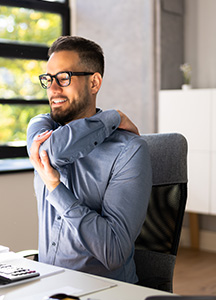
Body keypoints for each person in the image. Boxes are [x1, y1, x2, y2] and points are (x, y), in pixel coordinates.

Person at [26, 36, 152, 283]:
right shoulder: (40, 126)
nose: (53, 89)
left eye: (64, 78)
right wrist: (112, 117)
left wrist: (55, 188)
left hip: (103, 291)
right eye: (48, 79)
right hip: (47, 285)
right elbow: (53, 153)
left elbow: (113, 252)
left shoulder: (129, 151)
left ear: (94, 82)